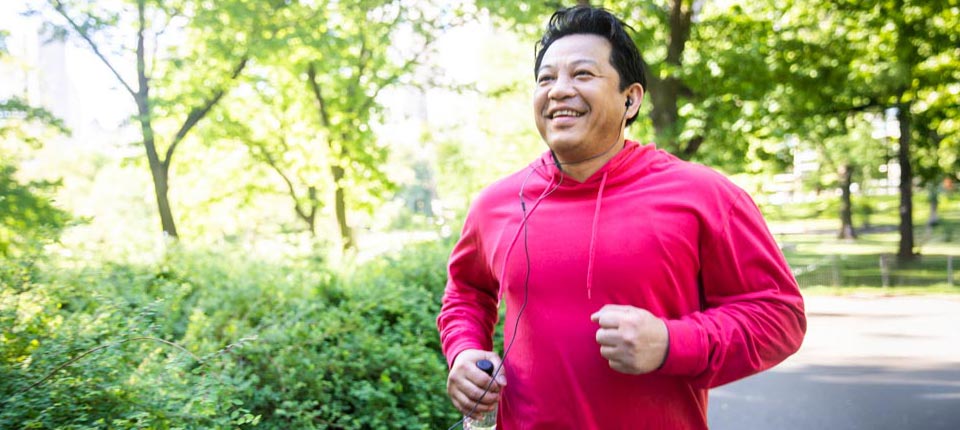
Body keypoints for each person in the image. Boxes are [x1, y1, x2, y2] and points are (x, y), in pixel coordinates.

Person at [436, 6, 806, 429]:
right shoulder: (494, 204)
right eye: (546, 79)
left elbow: (779, 317)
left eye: (582, 75)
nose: (558, 90)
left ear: (630, 99)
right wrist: (465, 351)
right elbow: (466, 293)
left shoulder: (705, 196)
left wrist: (671, 343)